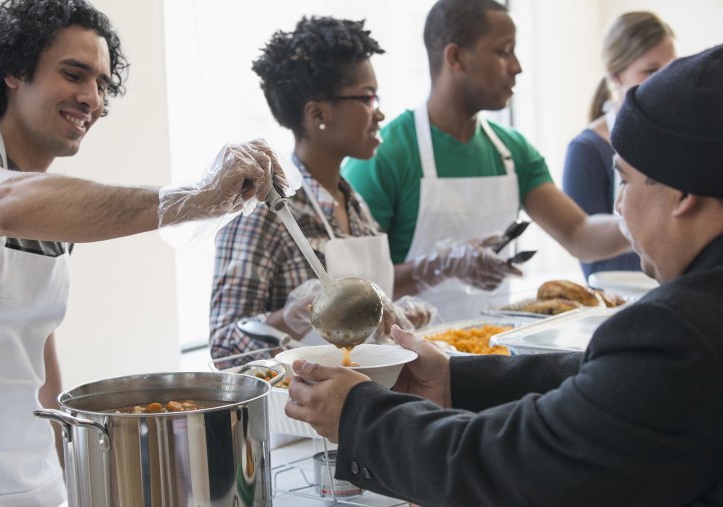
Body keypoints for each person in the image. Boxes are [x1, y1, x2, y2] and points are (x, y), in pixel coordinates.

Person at [285, 45, 723, 506]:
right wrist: (459, 379)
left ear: (684, 195)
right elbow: (612, 389)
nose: (618, 205)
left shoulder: (679, 330)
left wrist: (361, 416)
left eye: (626, 180)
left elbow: (515, 467)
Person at [0, 1, 284, 505]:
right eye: (74, 74)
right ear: (13, 71)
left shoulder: (50, 204)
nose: (92, 98)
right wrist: (192, 199)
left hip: (36, 484)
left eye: (103, 84)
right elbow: (0, 205)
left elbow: (37, 346)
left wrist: (71, 475)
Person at [209, 16, 517, 364]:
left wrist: (396, 313)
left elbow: (363, 305)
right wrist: (295, 315)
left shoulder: (353, 204)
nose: (380, 113)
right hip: (296, 411)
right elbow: (223, 349)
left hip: (365, 403)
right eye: (367, 98)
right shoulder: (264, 210)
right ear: (317, 113)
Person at [342, 0, 631, 321]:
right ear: (455, 57)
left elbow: (579, 234)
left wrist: (639, 220)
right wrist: (438, 268)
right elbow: (351, 290)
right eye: (504, 51)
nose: (517, 66)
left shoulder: (512, 150)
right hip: (406, 359)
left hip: (490, 352)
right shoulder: (386, 154)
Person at [563, 11, 676, 279]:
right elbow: (592, 261)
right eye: (651, 70)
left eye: (672, 69)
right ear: (615, 75)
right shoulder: (587, 150)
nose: (664, 81)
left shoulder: (680, 141)